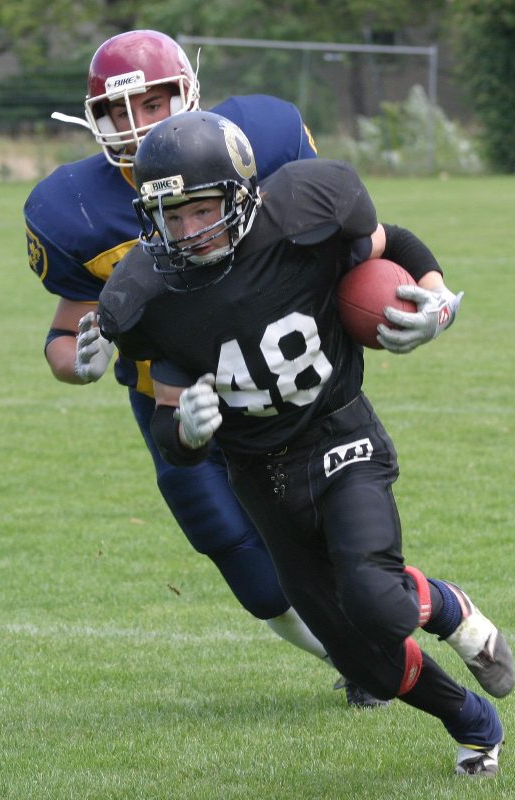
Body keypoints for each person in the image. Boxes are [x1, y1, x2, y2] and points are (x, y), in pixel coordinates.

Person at [97, 110, 515, 777]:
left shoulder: (301, 216)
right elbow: (169, 428)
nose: (187, 230)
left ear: (240, 193)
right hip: (258, 476)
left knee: (376, 600)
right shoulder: (148, 291)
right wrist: (187, 432)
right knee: (362, 660)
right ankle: (471, 723)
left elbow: (393, 240)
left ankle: (448, 606)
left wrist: (438, 300)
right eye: (170, 216)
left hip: (339, 434)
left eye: (201, 209)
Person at [24, 29, 386, 707]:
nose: (136, 124)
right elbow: (65, 333)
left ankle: (378, 651)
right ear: (91, 119)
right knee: (247, 568)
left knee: (335, 533)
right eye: (116, 111)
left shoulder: (259, 141)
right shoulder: (75, 210)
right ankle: (352, 654)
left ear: (188, 92)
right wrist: (78, 364)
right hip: (170, 398)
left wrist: (409, 298)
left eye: (152, 102)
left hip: (278, 388)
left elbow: (346, 243)